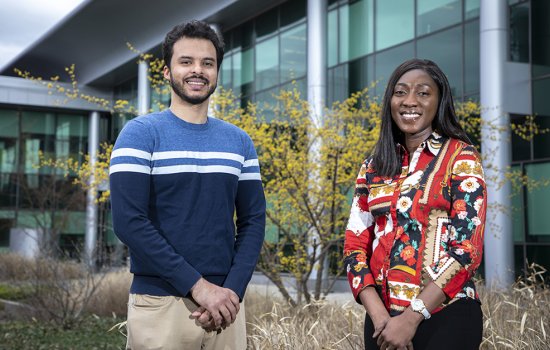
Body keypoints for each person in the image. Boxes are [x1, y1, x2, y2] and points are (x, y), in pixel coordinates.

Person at [109, 20, 266, 350]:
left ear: (217, 72)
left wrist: (231, 292)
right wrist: (199, 288)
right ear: (166, 72)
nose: (198, 70)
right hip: (160, 306)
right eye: (186, 62)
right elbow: (130, 223)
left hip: (227, 308)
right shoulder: (139, 135)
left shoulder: (240, 142)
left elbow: (253, 223)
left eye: (208, 63)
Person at [344, 58, 486, 350]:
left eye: (423, 92)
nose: (410, 101)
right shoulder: (373, 167)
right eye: (400, 92)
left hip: (446, 316)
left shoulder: (461, 157)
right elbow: (354, 246)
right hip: (382, 323)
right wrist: (380, 317)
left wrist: (411, 318)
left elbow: (467, 251)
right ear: (390, 101)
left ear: (439, 101)